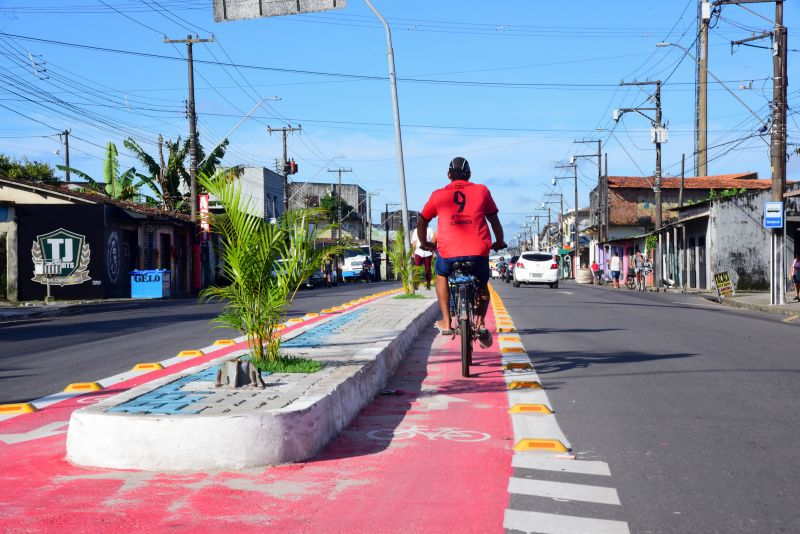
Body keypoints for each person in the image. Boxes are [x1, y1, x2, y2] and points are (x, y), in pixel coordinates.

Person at [416, 157, 506, 348]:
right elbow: (494, 220)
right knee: (482, 284)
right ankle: (481, 323)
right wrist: (499, 241)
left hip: (448, 253)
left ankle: (447, 322)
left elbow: (422, 220)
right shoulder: (482, 191)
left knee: (441, 275)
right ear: (469, 175)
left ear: (449, 175)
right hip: (478, 252)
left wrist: (425, 243)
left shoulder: (437, 195)